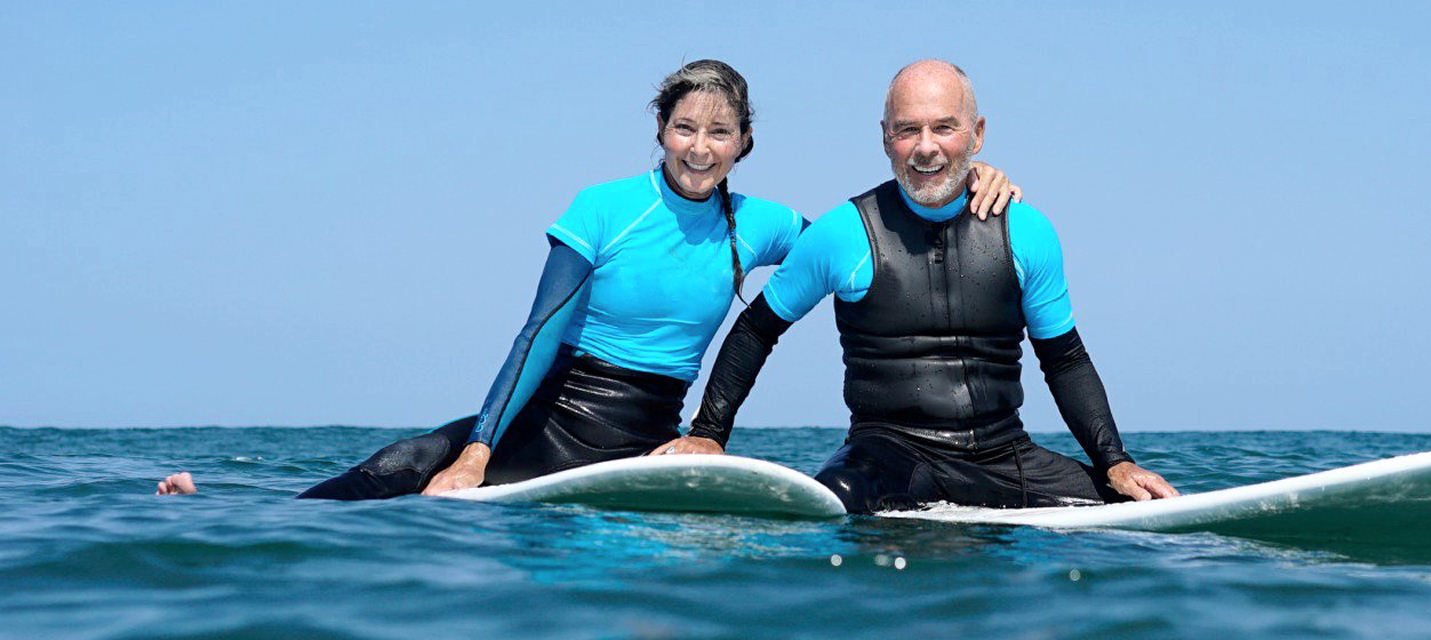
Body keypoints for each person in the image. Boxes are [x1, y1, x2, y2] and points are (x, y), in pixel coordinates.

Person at [156, 59, 1024, 498]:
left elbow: (866, 240)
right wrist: (477, 451)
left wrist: (979, 184)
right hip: (553, 421)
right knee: (402, 464)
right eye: (685, 127)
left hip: (648, 436)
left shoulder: (757, 223)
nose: (699, 148)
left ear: (743, 143)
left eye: (720, 134)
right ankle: (236, 506)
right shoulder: (606, 210)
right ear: (660, 127)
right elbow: (535, 332)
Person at [657, 60, 1178, 513]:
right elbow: (756, 330)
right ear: (885, 136)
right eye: (908, 130)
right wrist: (708, 434)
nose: (925, 148)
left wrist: (1115, 461)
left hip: (1003, 457)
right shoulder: (844, 233)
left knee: (1133, 505)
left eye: (944, 128)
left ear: (977, 134)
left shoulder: (1026, 231)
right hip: (889, 455)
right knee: (832, 496)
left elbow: (1064, 358)